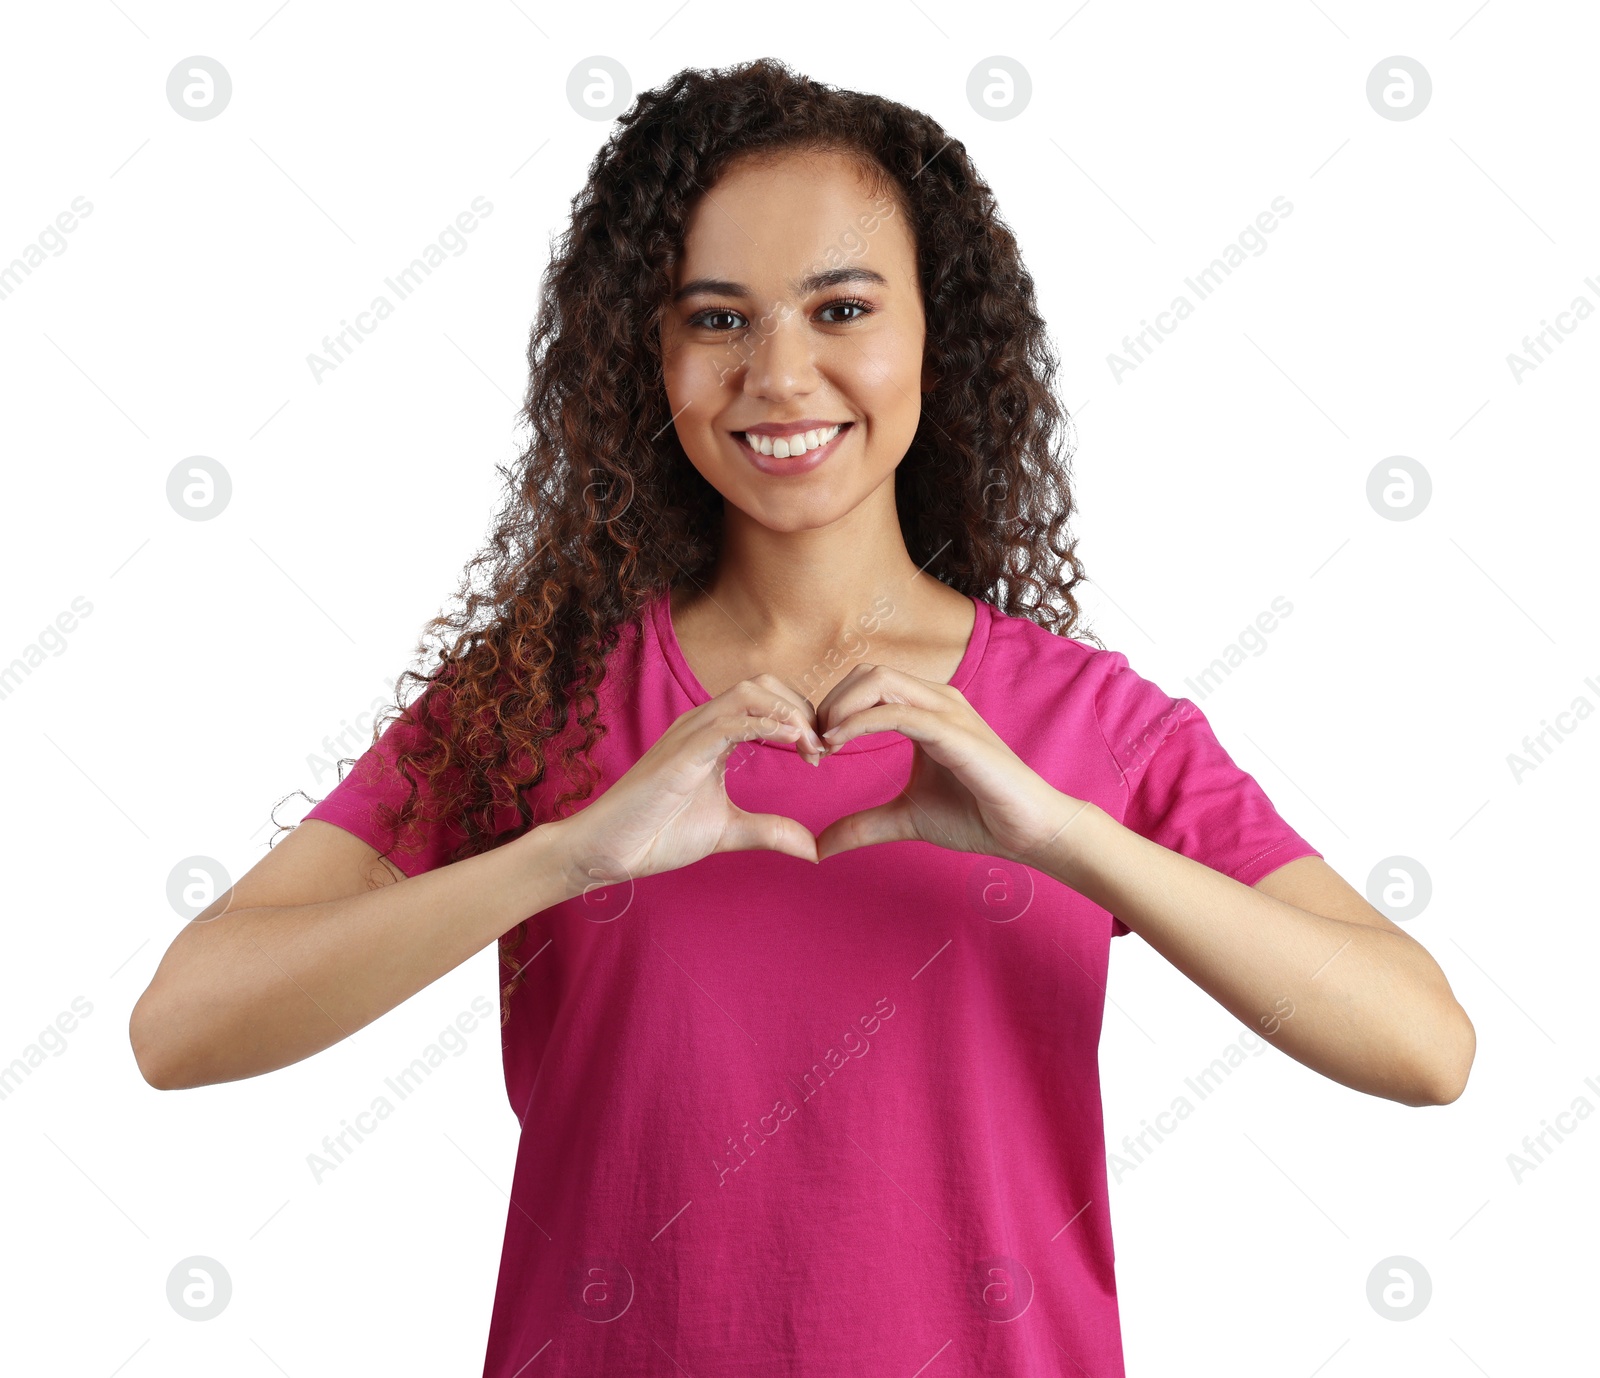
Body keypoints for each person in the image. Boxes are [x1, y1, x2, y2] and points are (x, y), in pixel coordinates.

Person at [129, 58, 1475, 1378]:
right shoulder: (534, 699)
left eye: (840, 308)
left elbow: (1425, 1045)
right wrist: (571, 855)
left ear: (935, 334)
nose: (779, 373)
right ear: (645, 355)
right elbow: (182, 1022)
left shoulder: (1086, 725)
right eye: (717, 317)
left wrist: (1064, 838)